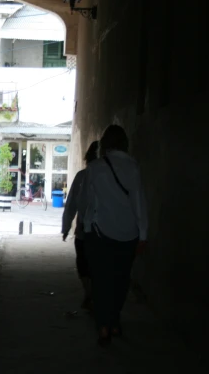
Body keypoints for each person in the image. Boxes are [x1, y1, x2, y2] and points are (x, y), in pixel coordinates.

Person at [77, 125, 148, 346]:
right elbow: (139, 203)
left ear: (105, 144)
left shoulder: (95, 168)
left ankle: (104, 327)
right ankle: (115, 320)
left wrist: (84, 229)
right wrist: (143, 234)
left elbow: (89, 203)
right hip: (128, 236)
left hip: (100, 234)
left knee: (101, 281)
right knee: (120, 280)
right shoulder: (133, 167)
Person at [62, 140, 100, 311]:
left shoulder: (82, 176)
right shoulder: (84, 177)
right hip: (101, 232)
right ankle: (92, 295)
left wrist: (66, 226)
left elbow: (71, 204)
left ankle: (89, 294)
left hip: (85, 231)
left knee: (84, 264)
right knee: (91, 265)